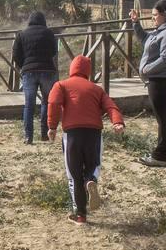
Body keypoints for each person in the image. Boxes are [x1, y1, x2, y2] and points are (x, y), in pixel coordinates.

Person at [47, 55, 125, 225]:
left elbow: (53, 102)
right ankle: (91, 180)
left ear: (71, 69)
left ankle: (80, 215)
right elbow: (111, 106)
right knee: (93, 165)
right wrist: (117, 122)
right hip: (94, 134)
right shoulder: (97, 89)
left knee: (74, 175)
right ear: (88, 72)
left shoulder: (61, 85)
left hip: (72, 135)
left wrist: (52, 127)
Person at [129, 1, 166, 167]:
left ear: (165, 14)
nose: (152, 18)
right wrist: (136, 23)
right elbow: (145, 39)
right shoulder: (160, 32)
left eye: (155, 15)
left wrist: (146, 70)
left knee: (162, 117)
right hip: (157, 78)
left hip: (160, 79)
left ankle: (161, 154)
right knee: (163, 117)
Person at [11, 11, 58, 144]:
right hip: (47, 70)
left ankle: (28, 136)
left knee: (29, 105)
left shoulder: (22, 34)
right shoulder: (49, 33)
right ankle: (44, 133)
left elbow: (15, 54)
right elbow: (54, 51)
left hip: (29, 72)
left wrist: (24, 65)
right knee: (46, 102)